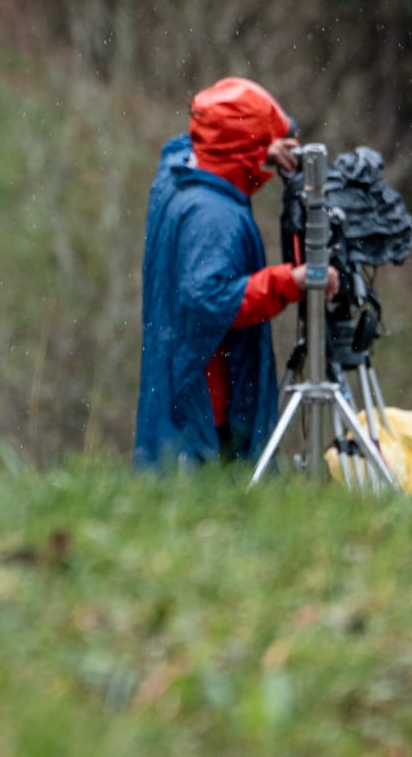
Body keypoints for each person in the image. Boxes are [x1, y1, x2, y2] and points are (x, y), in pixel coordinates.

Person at [134, 75, 337, 470]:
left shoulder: (179, 178)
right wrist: (290, 282)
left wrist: (260, 150)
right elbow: (208, 298)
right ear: (246, 145)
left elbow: (196, 143)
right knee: (210, 491)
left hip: (174, 375)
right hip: (209, 398)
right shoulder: (213, 215)